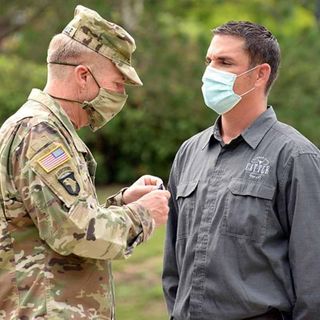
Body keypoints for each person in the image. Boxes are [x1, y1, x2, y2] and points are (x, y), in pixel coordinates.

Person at [0, 5, 170, 320]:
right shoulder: (40, 132)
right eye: (118, 84)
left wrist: (122, 201)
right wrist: (142, 216)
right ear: (82, 76)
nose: (120, 95)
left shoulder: (46, 128)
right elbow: (75, 232)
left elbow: (53, 219)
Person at [162, 20, 320, 320]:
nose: (210, 72)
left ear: (260, 74)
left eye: (225, 62)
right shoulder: (189, 153)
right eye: (209, 61)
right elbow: (173, 267)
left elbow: (314, 280)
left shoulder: (296, 157)